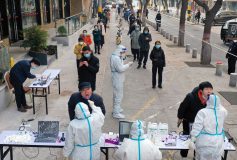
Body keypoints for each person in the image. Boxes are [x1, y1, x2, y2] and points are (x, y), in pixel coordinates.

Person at [177, 81, 213, 158]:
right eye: (206, 89)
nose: (209, 91)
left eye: (210, 89)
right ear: (201, 90)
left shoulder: (212, 98)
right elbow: (182, 107)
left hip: (201, 124)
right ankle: (184, 154)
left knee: (199, 140)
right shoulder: (190, 96)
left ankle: (195, 156)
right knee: (186, 137)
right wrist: (180, 118)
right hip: (189, 121)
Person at [190, 94, 228, 160]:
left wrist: (193, 139)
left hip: (205, 142)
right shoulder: (223, 112)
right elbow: (220, 106)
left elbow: (197, 127)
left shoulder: (202, 112)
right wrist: (216, 101)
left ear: (208, 101)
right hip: (218, 143)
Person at [110, 45, 133, 119]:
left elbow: (120, 62)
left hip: (118, 78)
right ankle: (116, 113)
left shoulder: (116, 56)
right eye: (123, 52)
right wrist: (128, 65)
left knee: (117, 95)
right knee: (118, 96)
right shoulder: (116, 58)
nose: (123, 53)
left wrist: (123, 58)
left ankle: (117, 108)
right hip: (117, 78)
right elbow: (120, 69)